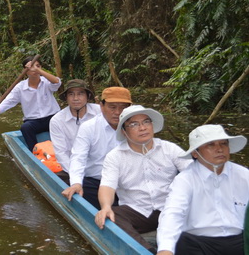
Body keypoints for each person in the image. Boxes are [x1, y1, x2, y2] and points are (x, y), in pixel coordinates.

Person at [94, 105, 191, 253]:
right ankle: (146, 250)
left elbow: (193, 173)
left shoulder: (169, 148)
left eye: (146, 122)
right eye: (134, 124)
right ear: (124, 132)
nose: (142, 128)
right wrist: (105, 206)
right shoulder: (115, 156)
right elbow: (107, 185)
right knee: (113, 215)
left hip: (170, 208)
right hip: (138, 211)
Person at [156, 124, 249, 255]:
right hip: (198, 243)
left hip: (239, 241)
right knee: (182, 242)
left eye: (223, 144)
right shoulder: (185, 179)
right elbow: (173, 214)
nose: (219, 149)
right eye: (211, 144)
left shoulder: (244, 175)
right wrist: (165, 249)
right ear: (195, 152)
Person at [61, 87, 131, 208]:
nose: (118, 112)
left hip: (126, 182)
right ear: (102, 107)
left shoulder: (135, 126)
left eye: (123, 108)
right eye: (112, 107)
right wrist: (76, 183)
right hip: (96, 181)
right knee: (82, 189)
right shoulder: (89, 127)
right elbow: (78, 157)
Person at [0, 56, 61, 151]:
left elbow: (57, 82)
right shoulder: (20, 87)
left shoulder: (46, 82)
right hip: (33, 121)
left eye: (37, 66)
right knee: (25, 127)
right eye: (30, 67)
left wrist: (37, 70)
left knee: (63, 121)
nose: (34, 69)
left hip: (52, 118)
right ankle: (35, 153)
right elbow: (8, 102)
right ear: (25, 71)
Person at [49, 79, 101, 184]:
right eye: (71, 94)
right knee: (57, 182)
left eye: (80, 94)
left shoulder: (100, 112)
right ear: (66, 98)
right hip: (73, 167)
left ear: (87, 96)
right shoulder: (57, 120)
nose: (76, 98)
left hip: (100, 165)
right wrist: (77, 175)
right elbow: (61, 153)